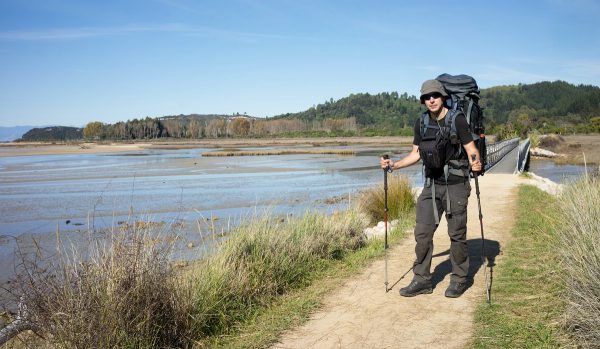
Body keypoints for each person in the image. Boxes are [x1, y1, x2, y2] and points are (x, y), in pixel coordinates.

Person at [380, 79, 482, 298]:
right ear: (423, 101)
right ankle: (422, 280)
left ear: (443, 96)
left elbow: (471, 148)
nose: (431, 100)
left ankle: (459, 279)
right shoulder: (422, 122)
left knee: (456, 234)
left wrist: (475, 161)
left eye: (435, 95)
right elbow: (416, 153)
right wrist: (394, 165)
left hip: (456, 184)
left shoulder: (458, 119)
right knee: (422, 233)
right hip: (431, 185)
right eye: (427, 97)